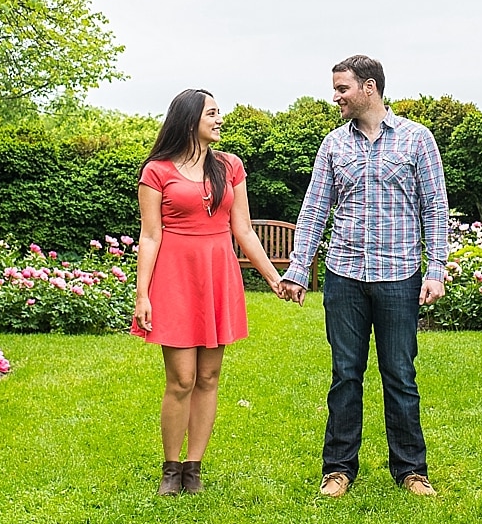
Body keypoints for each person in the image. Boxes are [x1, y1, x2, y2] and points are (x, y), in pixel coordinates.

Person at [278, 55, 449, 498]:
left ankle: (412, 471)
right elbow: (315, 208)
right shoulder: (334, 145)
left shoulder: (417, 140)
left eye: (342, 89)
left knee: (399, 375)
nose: (335, 97)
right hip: (345, 276)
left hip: (399, 275)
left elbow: (435, 207)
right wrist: (298, 270)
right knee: (345, 374)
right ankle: (337, 470)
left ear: (369, 87)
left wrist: (436, 269)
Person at [132, 88, 287, 496]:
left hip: (217, 276)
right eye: (212, 114)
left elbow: (244, 230)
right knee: (181, 378)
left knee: (209, 375)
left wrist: (274, 277)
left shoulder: (230, 167)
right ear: (189, 120)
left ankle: (193, 467)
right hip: (175, 278)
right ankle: (170, 467)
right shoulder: (157, 171)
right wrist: (142, 294)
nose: (220, 120)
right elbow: (150, 236)